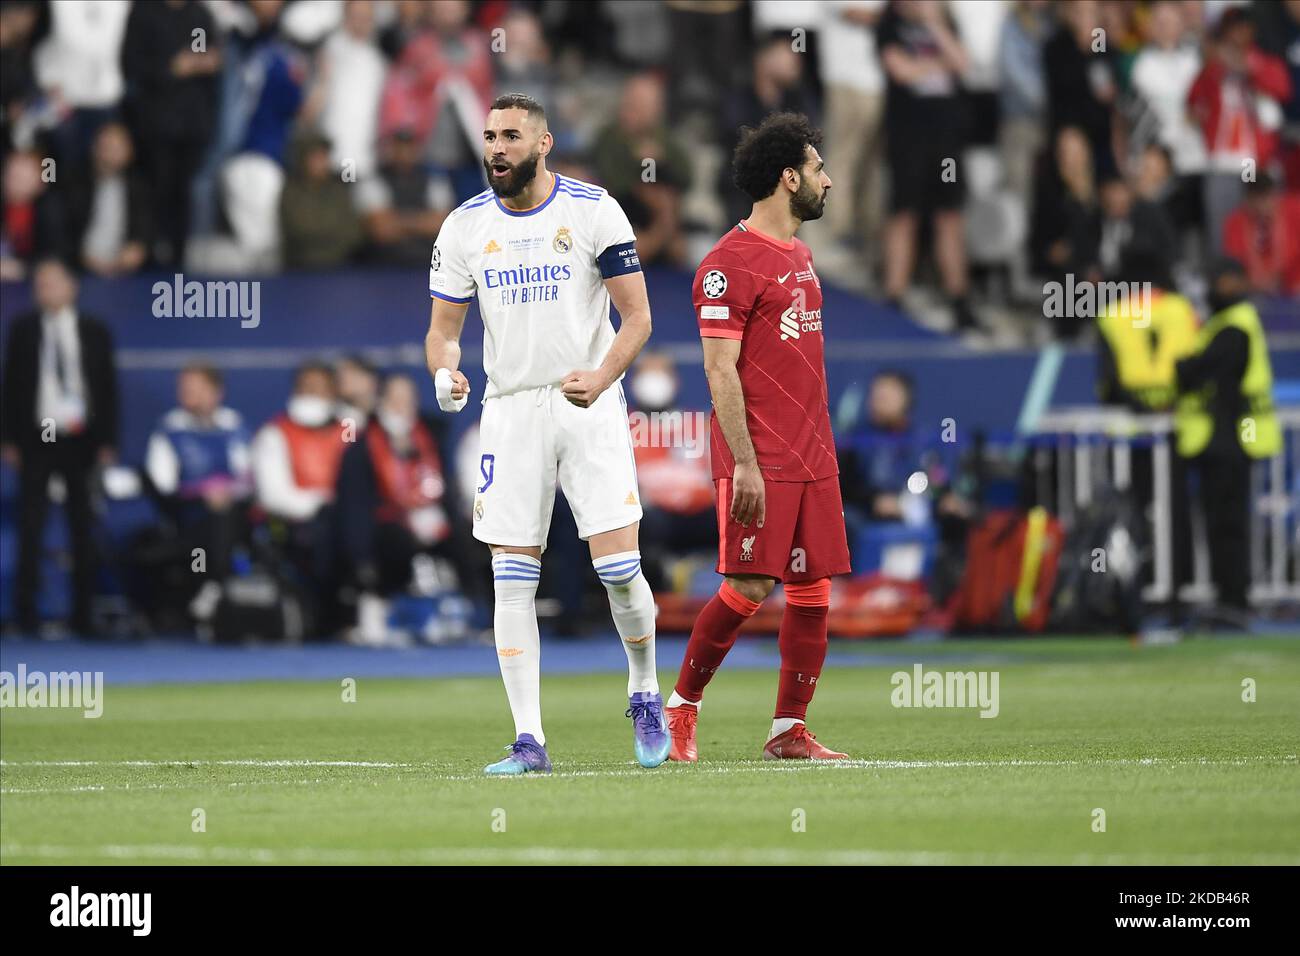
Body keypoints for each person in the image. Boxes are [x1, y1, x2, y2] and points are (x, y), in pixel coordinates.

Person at [424, 93, 668, 775]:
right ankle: (529, 740)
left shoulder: (593, 210)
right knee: (510, 580)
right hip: (510, 410)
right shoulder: (465, 226)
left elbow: (639, 319)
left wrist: (603, 373)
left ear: (543, 142)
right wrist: (445, 375)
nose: (496, 148)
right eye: (490, 136)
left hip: (587, 401)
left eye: (510, 136)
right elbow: (443, 334)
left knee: (619, 570)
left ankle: (645, 687)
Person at [665, 111, 851, 763]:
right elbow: (719, 370)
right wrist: (743, 462)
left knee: (813, 590)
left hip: (813, 454)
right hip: (760, 456)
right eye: (819, 169)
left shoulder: (801, 256)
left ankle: (787, 730)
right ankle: (680, 708)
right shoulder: (726, 266)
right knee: (748, 588)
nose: (828, 181)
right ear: (788, 177)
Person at [0, 258, 119, 636]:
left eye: (52, 283)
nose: (45, 290)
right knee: (31, 526)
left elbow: (106, 387)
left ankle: (84, 615)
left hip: (79, 437)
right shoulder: (24, 329)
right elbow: (11, 387)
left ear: (72, 287)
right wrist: (8, 439)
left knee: (81, 526)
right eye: (40, 284)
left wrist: (107, 440)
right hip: (40, 435)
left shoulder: (94, 330)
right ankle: (26, 615)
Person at [1173, 258, 1280, 629]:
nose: (1213, 289)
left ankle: (1233, 601)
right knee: (1224, 522)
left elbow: (1201, 371)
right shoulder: (1225, 324)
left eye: (1219, 281)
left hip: (1235, 436)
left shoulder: (1234, 326)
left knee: (1228, 522)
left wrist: (1182, 368)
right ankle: (1229, 599)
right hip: (1229, 436)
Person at [144, 362, 252, 620]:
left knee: (225, 517)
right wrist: (204, 492)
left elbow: (249, 474)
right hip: (187, 514)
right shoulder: (170, 428)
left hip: (233, 510)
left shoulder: (233, 424)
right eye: (184, 388)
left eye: (196, 388)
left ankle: (215, 588)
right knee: (215, 519)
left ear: (217, 392)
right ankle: (214, 586)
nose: (187, 394)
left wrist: (227, 492)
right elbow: (163, 482)